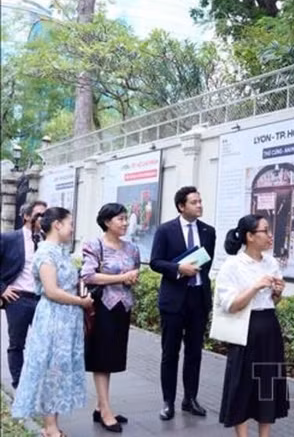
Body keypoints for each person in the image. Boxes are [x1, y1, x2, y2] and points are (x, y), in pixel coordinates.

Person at [11, 207, 94, 437]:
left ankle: (52, 425)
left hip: (67, 318)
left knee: (59, 370)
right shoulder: (46, 253)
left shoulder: (60, 251)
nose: (72, 228)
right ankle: (49, 427)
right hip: (55, 318)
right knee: (52, 371)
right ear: (57, 225)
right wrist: (81, 301)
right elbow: (52, 291)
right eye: (70, 223)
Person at [215, 215, 289, 436]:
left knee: (267, 383)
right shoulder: (232, 266)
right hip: (244, 328)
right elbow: (230, 305)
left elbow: (273, 301)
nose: (269, 235)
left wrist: (278, 292)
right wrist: (255, 286)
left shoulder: (271, 262)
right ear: (249, 236)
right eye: (264, 231)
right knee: (242, 384)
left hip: (269, 326)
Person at [150, 186, 216, 421]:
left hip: (198, 298)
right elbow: (155, 262)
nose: (200, 205)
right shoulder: (166, 230)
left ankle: (190, 399)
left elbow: (206, 265)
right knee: (170, 353)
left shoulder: (209, 231)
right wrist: (178, 268)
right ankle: (168, 401)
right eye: (194, 202)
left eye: (200, 201)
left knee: (194, 352)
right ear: (181, 206)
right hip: (174, 300)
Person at [81, 203, 141, 433]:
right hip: (102, 308)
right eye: (120, 219)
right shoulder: (94, 245)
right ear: (107, 222)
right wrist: (121, 277)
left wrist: (131, 278)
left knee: (113, 358)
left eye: (126, 219)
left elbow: (134, 272)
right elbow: (87, 275)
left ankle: (101, 406)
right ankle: (105, 411)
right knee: (101, 359)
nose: (125, 223)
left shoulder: (132, 248)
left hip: (123, 308)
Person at [0, 200, 47, 389]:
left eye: (46, 214)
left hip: (43, 300)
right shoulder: (9, 239)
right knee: (17, 344)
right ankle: (19, 386)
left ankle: (37, 384)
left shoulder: (48, 241)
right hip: (18, 299)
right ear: (27, 216)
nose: (44, 218)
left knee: (44, 343)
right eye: (40, 214)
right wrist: (2, 289)